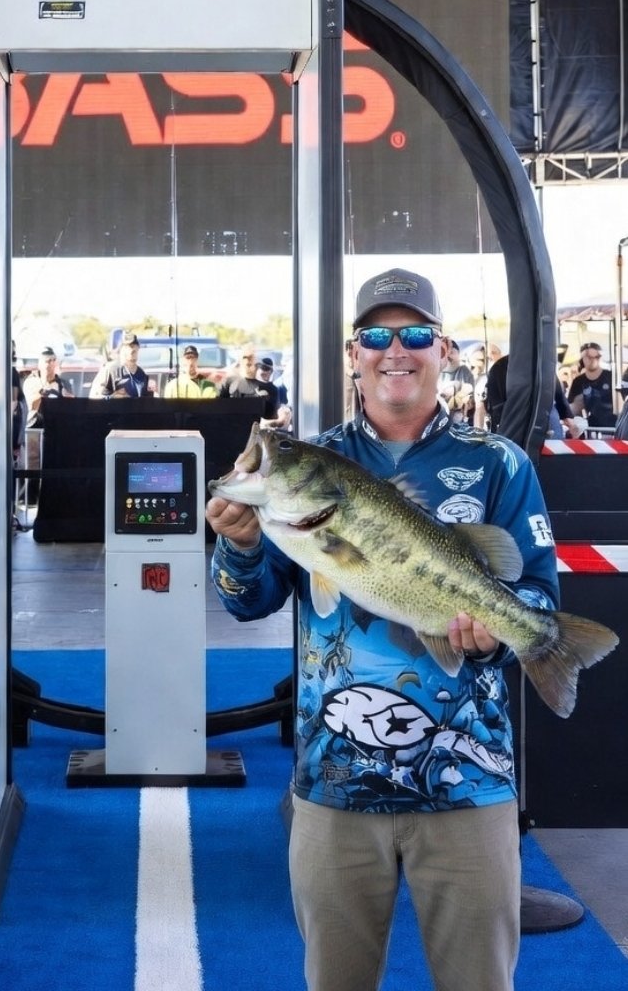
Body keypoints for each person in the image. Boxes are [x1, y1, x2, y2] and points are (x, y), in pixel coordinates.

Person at [206, 266, 560, 991]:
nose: (395, 349)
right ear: (354, 354)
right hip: (336, 784)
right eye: (375, 335)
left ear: (445, 349)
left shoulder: (499, 463)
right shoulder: (317, 464)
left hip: (471, 783)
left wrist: (501, 632)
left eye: (415, 334)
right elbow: (249, 602)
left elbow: (536, 590)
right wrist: (240, 546)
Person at [218, 343, 287, 428]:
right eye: (245, 357)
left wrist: (276, 421)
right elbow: (219, 411)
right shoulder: (229, 382)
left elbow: (271, 420)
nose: (248, 361)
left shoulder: (271, 389)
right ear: (240, 360)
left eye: (252, 358)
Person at [566, 342, 615, 431]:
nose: (592, 360)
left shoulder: (611, 377)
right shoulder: (578, 381)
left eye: (596, 357)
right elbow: (573, 409)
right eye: (588, 357)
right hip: (590, 427)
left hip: (613, 427)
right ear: (583, 358)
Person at [89, 332, 152, 399]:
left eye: (135, 351)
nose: (132, 355)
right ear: (122, 350)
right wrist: (112, 398)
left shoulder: (142, 375)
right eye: (129, 350)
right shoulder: (110, 370)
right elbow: (94, 396)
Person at [23, 346, 74, 426]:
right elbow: (31, 406)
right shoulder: (31, 381)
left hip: (57, 425)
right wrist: (44, 391)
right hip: (36, 424)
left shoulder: (64, 384)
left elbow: (71, 407)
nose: (50, 363)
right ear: (39, 363)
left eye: (53, 360)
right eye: (47, 360)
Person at [437, 337, 475, 423]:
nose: (448, 356)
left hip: (460, 419)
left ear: (459, 355)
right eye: (444, 353)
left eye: (451, 353)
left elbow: (470, 397)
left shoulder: (464, 371)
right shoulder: (435, 372)